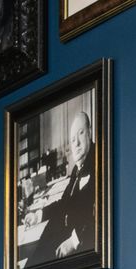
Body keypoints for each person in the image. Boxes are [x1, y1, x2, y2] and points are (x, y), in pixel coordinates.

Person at [37, 109, 96, 260]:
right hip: (68, 230)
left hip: (84, 243)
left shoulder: (100, 161)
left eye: (81, 133)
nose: (76, 143)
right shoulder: (77, 168)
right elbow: (64, 203)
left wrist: (73, 241)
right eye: (72, 139)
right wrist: (38, 215)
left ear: (90, 133)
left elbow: (100, 214)